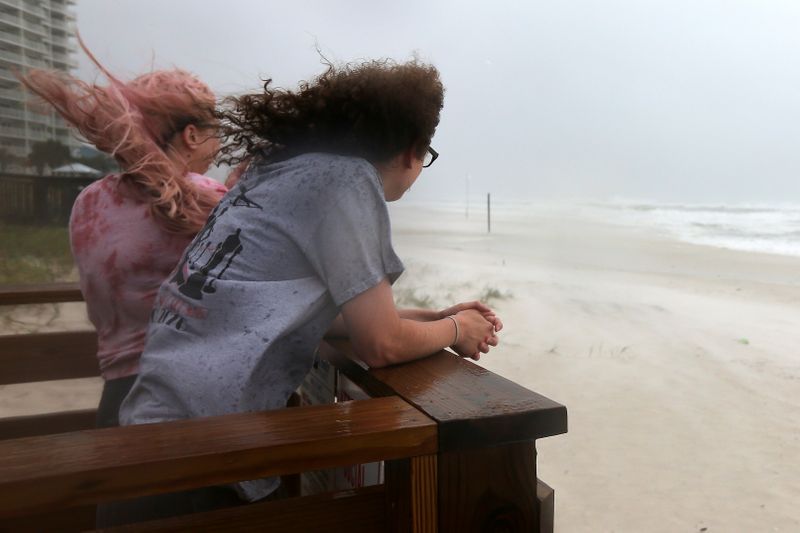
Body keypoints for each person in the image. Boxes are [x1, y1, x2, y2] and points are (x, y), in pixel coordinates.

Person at [115, 58, 502, 523]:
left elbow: (315, 316)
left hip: (144, 443)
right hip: (205, 464)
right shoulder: (347, 181)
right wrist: (458, 330)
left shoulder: (278, 170)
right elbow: (380, 344)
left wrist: (435, 317)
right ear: (410, 150)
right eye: (427, 155)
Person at [18, 40, 228, 428]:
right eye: (217, 131)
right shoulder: (205, 196)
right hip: (188, 402)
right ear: (192, 135)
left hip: (116, 402)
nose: (219, 146)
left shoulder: (89, 201)